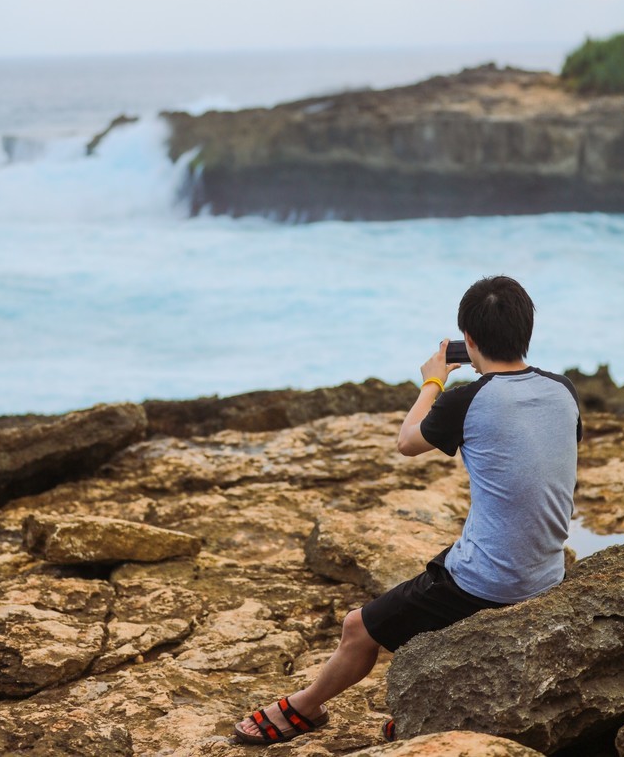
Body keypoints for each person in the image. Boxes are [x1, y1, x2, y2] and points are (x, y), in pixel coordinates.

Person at [234, 275, 581, 746]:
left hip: (494, 581)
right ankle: (428, 703)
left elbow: (406, 442)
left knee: (358, 627)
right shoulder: (563, 390)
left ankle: (303, 708)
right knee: (442, 570)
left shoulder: (467, 398)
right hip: (546, 571)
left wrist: (433, 381)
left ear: (470, 341)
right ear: (527, 334)